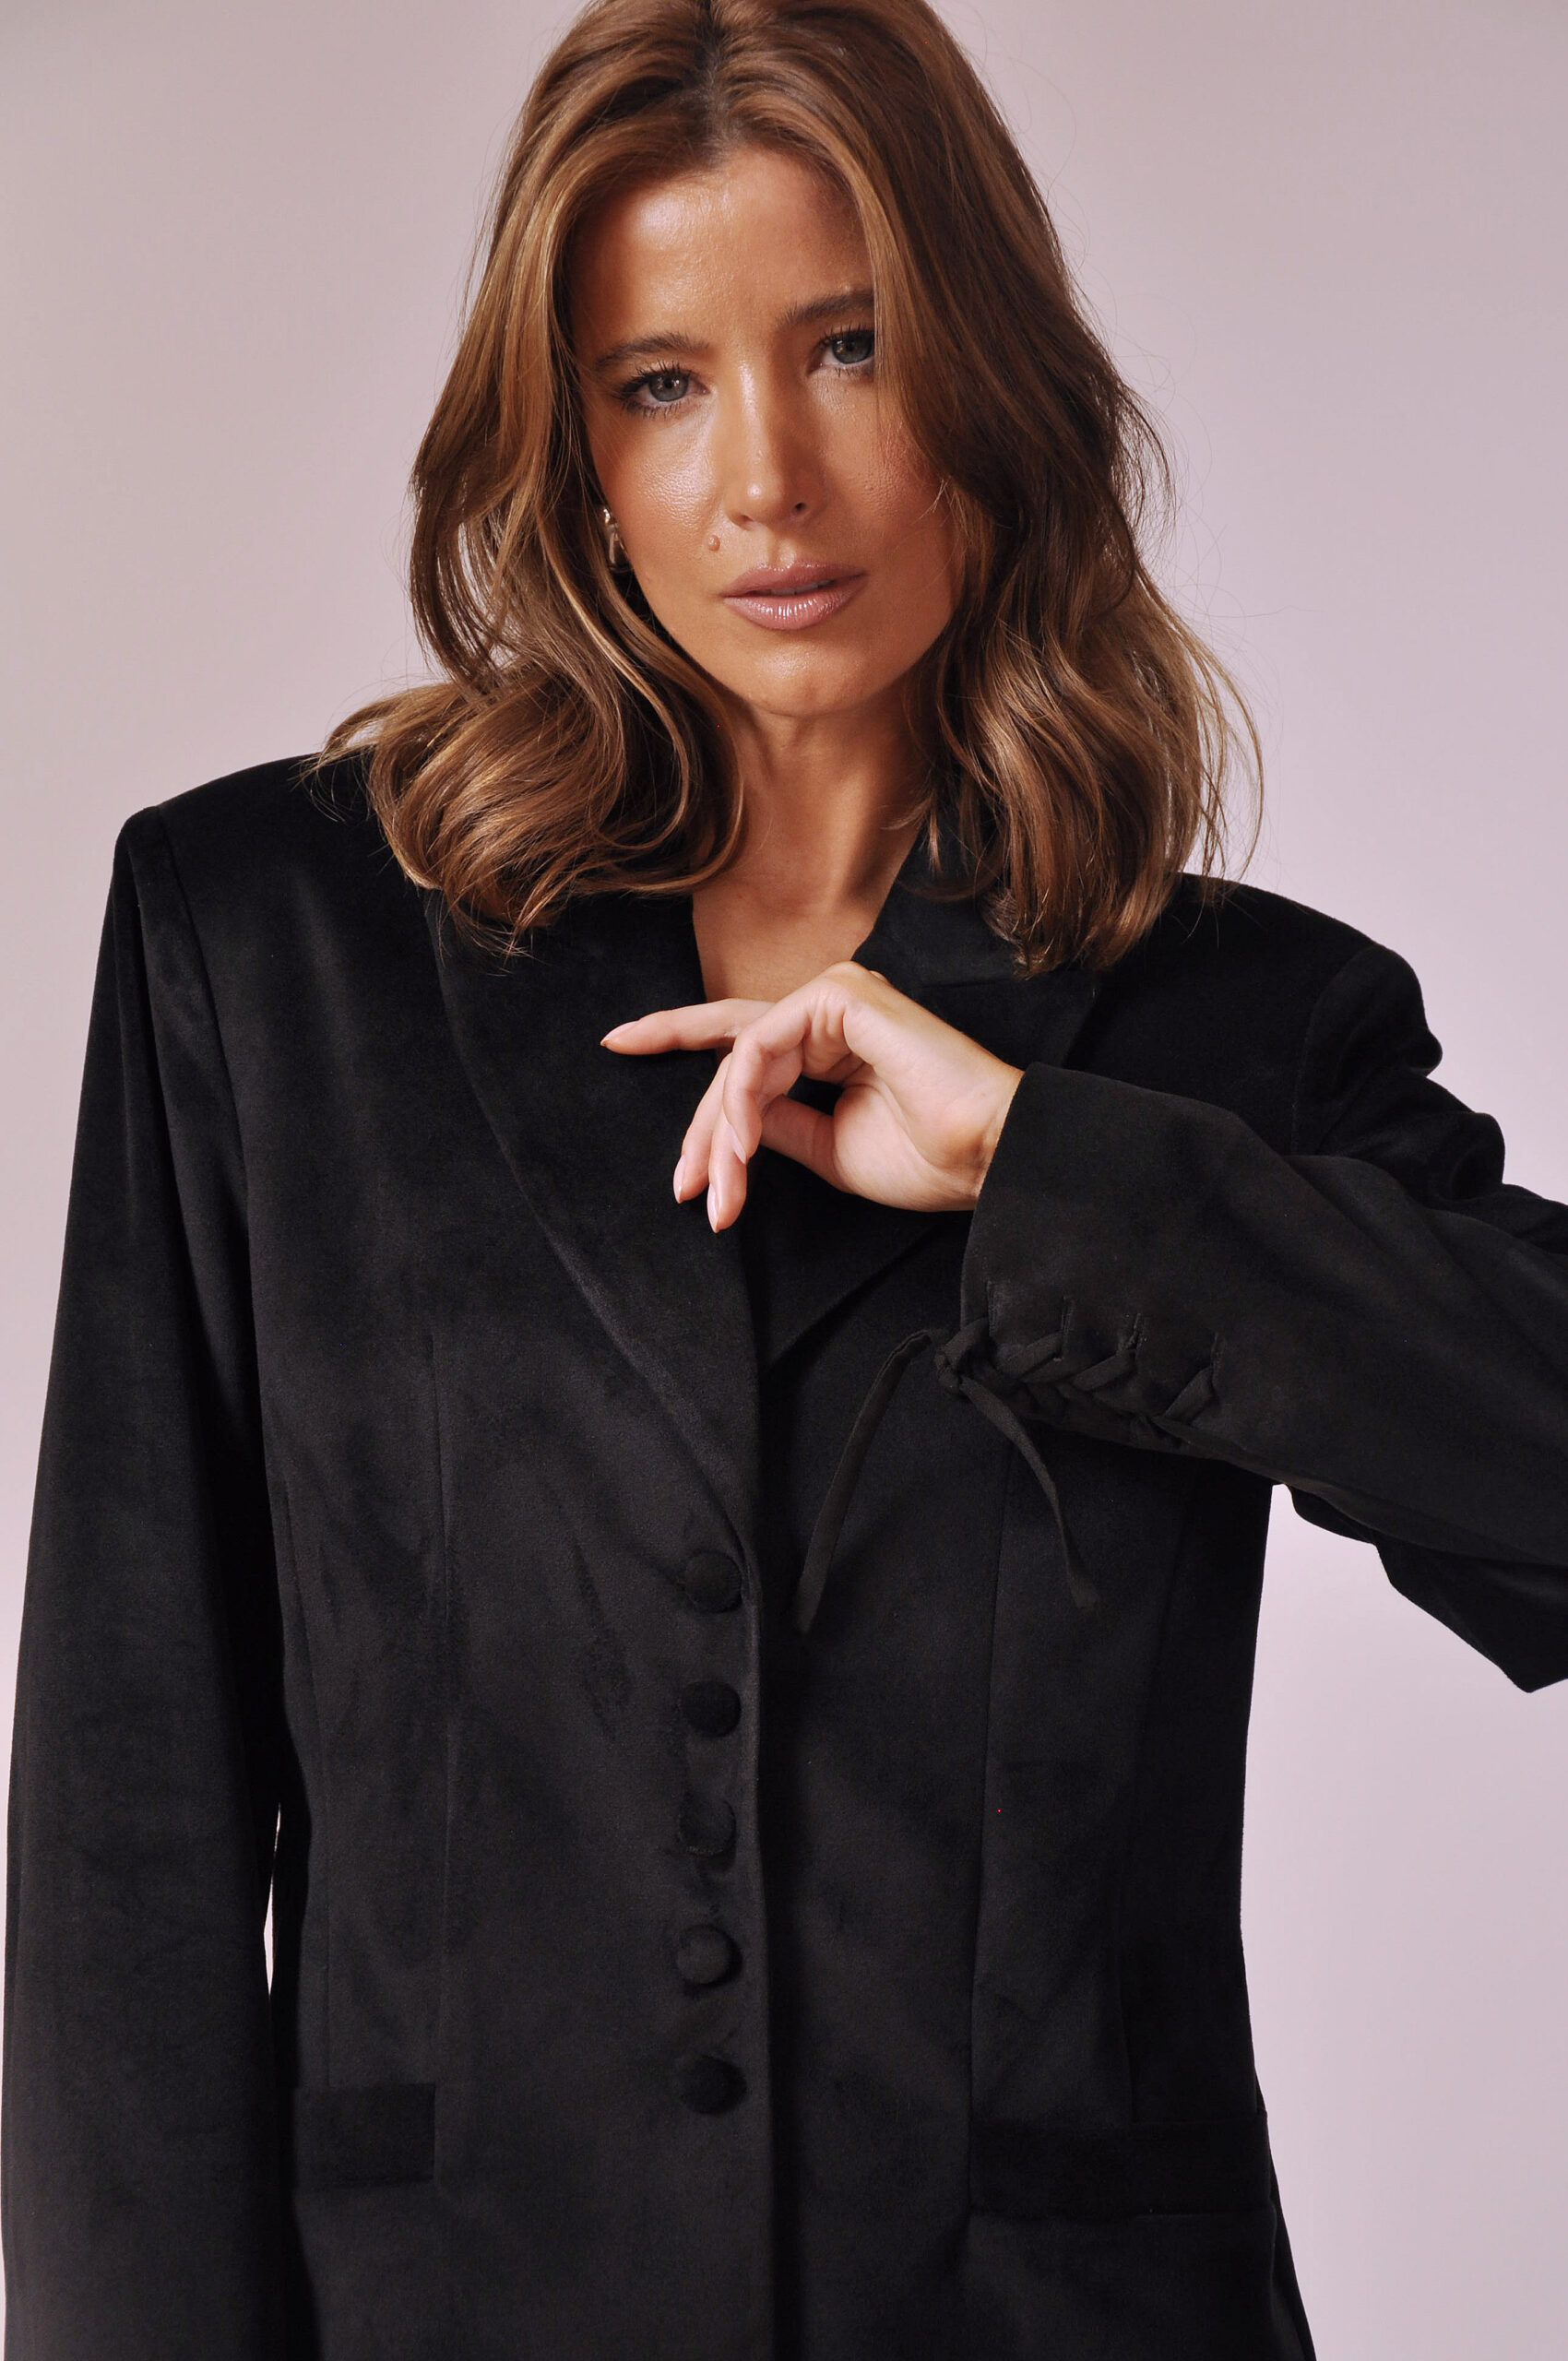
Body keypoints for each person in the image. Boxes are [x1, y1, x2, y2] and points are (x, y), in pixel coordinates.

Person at [6, 0, 1567, 2352]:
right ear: (571, 449)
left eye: (849, 347)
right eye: (660, 381)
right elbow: (129, 1823)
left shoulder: (1235, 1027)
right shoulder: (269, 948)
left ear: (990, 375)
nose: (766, 480)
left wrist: (1043, 1165)